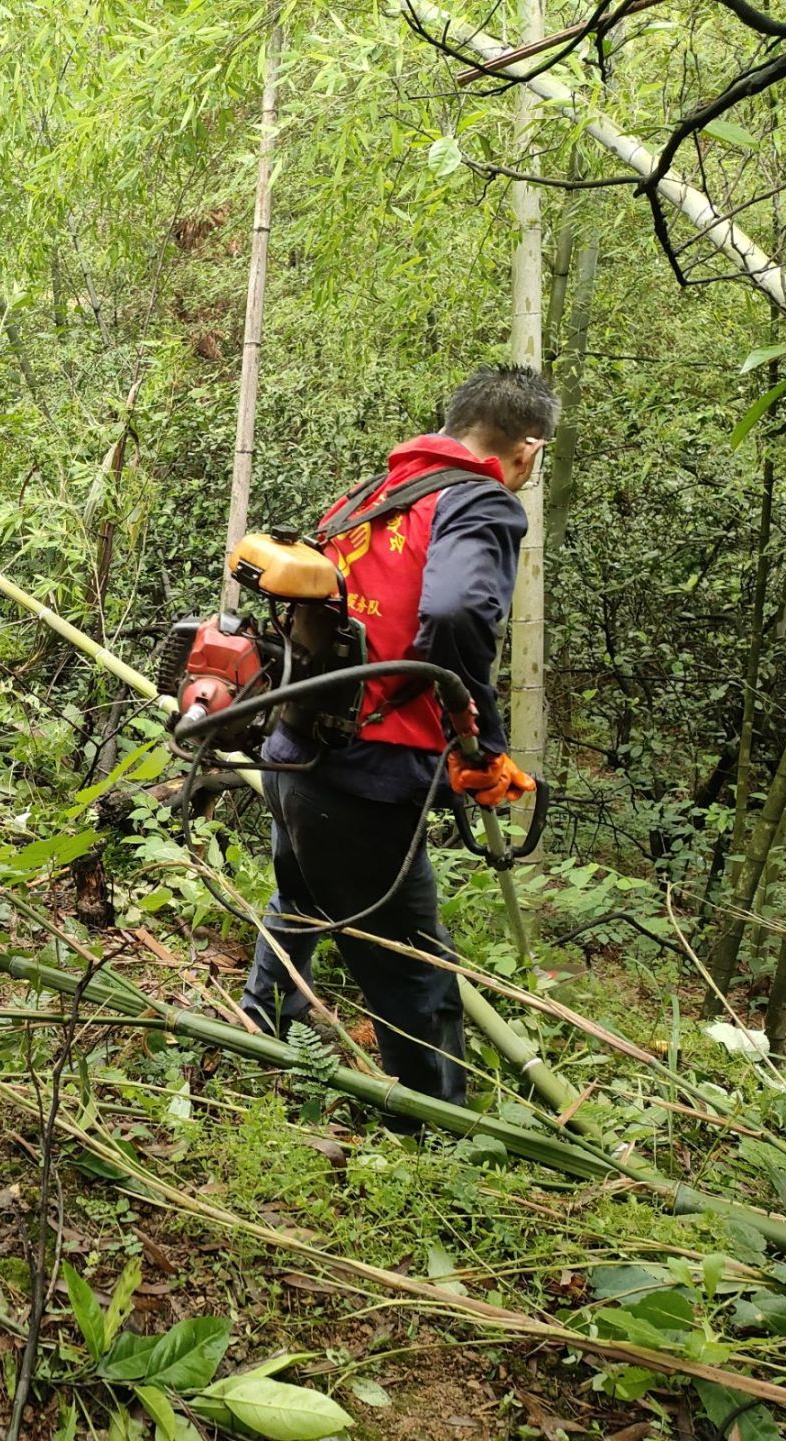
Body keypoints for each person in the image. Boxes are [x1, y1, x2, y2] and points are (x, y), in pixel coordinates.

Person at [239, 364, 553, 1116]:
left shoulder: (373, 494)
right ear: (529, 449)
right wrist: (476, 738)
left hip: (294, 744)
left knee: (301, 895)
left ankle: (261, 1027)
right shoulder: (479, 500)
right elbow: (453, 612)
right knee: (413, 965)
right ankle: (434, 1126)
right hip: (365, 774)